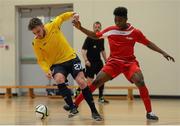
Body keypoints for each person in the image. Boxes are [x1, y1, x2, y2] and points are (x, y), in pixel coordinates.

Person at [71, 7, 175, 120]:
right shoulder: (111, 30)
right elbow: (95, 35)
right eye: (115, 20)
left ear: (126, 19)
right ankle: (74, 105)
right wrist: (80, 27)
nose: (117, 22)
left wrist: (163, 52)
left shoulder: (135, 32)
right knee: (96, 82)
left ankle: (149, 112)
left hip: (129, 63)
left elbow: (148, 43)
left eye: (120, 20)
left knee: (140, 81)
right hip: (114, 62)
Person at [28, 11, 102, 121]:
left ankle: (94, 111)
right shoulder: (36, 43)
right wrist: (46, 70)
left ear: (43, 26)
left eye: (38, 31)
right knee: (59, 79)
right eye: (34, 33)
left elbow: (62, 17)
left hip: (71, 58)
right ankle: (72, 107)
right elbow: (41, 59)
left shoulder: (53, 25)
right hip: (56, 64)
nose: (37, 35)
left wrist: (73, 14)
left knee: (82, 82)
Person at [75, 21, 109, 103]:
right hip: (90, 63)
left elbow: (102, 50)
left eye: (98, 27)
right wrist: (86, 60)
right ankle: (79, 90)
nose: (97, 28)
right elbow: (83, 50)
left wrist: (106, 60)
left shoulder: (101, 38)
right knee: (89, 81)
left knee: (102, 79)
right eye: (95, 27)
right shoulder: (89, 37)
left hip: (98, 62)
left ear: (100, 28)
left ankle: (101, 97)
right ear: (93, 28)